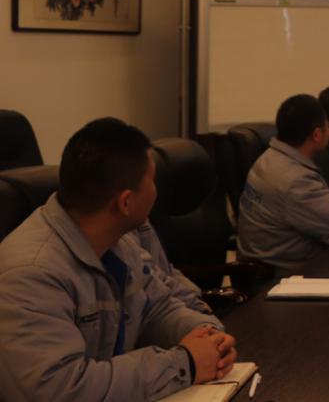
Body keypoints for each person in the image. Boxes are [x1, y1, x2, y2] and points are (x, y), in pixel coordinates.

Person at [0, 118, 237, 402]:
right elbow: (62, 389)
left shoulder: (119, 241)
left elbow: (155, 308)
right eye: (152, 181)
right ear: (125, 202)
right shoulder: (31, 273)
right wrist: (185, 363)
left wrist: (206, 336)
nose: (156, 191)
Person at [237, 94, 329, 269]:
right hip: (283, 274)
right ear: (317, 134)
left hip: (263, 264)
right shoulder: (296, 181)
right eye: (327, 126)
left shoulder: (268, 158)